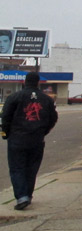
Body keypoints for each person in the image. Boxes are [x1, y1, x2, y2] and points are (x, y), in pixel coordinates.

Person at [1, 72, 58, 210]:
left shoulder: (14, 97)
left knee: (17, 168)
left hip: (17, 138)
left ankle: (22, 197)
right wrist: (43, 131)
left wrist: (5, 133)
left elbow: (5, 117)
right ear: (38, 82)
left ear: (25, 82)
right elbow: (53, 118)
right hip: (37, 139)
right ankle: (28, 195)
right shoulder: (47, 100)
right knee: (32, 168)